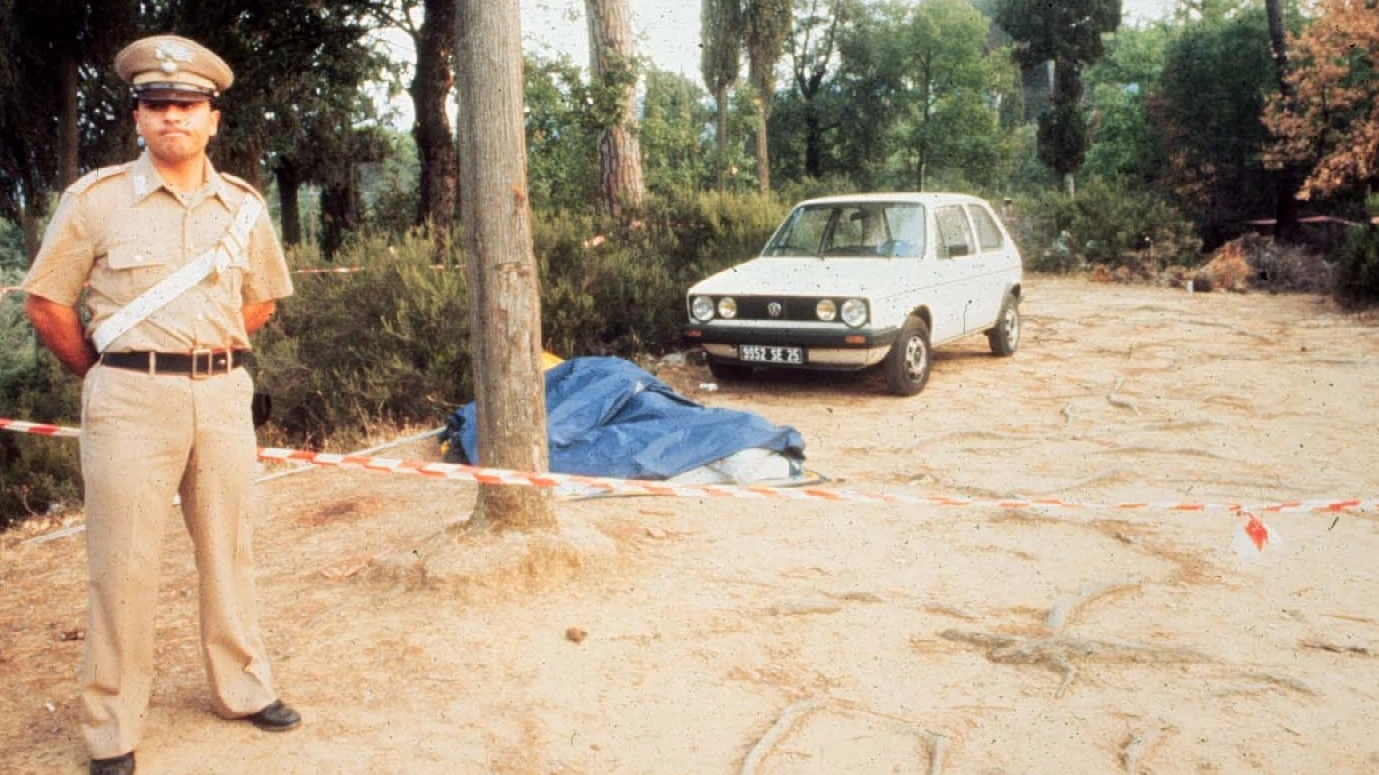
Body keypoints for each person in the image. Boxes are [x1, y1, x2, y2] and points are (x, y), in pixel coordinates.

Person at [21, 34, 299, 775]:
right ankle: (111, 727)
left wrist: (202, 350)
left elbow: (261, 300)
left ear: (212, 117)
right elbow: (46, 303)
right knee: (123, 564)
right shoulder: (97, 201)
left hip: (221, 396)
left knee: (230, 550)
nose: (171, 117)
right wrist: (109, 371)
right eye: (156, 106)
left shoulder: (241, 205)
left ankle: (242, 687)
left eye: (186, 105)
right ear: (138, 118)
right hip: (129, 400)